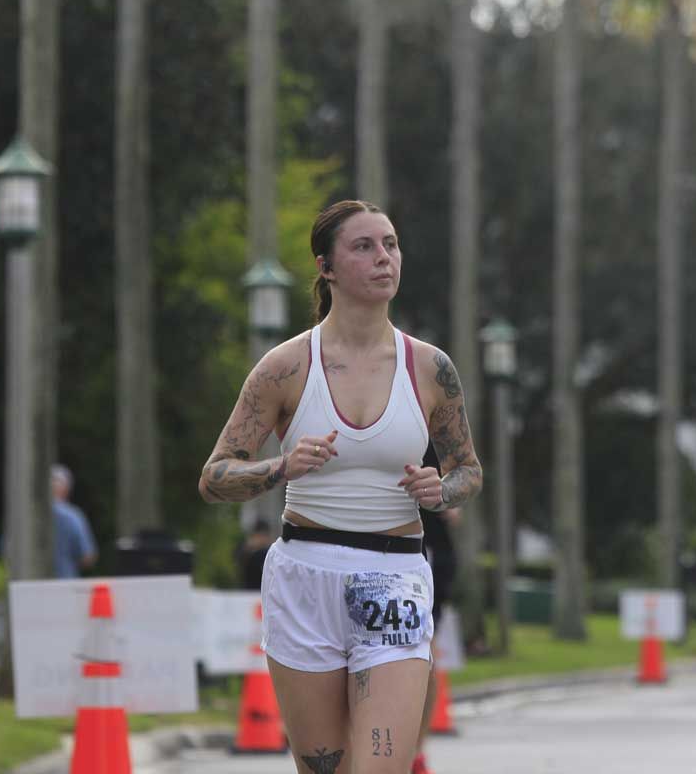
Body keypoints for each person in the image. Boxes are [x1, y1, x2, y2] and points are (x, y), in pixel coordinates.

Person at [199, 199, 483, 774]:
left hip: (394, 576)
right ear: (326, 267)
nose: (384, 258)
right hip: (305, 575)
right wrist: (281, 467)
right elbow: (215, 476)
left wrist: (441, 491)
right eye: (364, 246)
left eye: (391, 244)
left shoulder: (430, 368)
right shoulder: (285, 367)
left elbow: (468, 471)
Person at [411, 445, 459, 774]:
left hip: (428, 550)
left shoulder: (433, 426)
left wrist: (451, 494)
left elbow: (466, 472)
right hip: (366, 546)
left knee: (424, 652)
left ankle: (416, 751)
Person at [51, 464, 97, 579]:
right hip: (65, 581)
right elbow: (88, 557)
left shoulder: (24, 517)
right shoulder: (73, 516)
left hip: (28, 583)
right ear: (67, 489)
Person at [235, 518, 274, 590]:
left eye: (265, 535)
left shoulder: (271, 552)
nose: (262, 539)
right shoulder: (247, 549)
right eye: (260, 535)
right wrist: (249, 547)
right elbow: (238, 561)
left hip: (266, 591)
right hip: (248, 590)